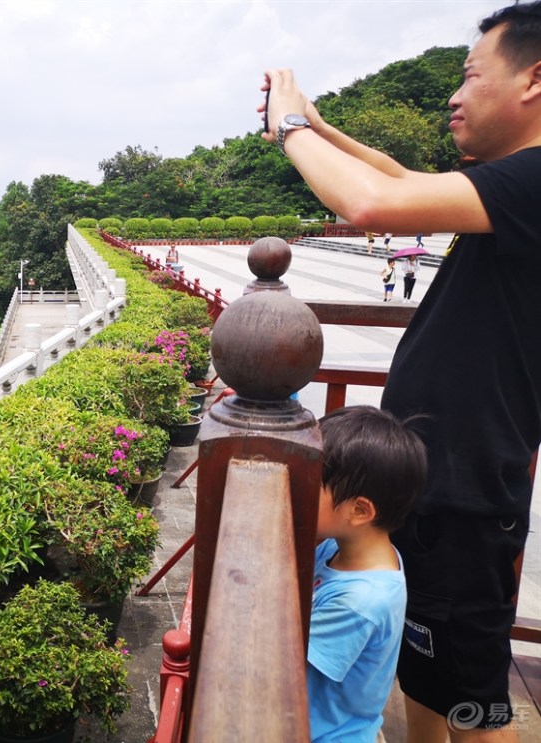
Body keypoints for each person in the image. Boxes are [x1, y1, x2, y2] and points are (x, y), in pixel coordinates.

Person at [262, 2, 541, 740]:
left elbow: (370, 201)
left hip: (469, 495)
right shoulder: (513, 186)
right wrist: (319, 127)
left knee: (477, 701)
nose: (455, 93)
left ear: (534, 78)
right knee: (425, 669)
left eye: (470, 73)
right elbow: (402, 180)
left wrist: (288, 127)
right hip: (438, 479)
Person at [309, 406, 428, 743]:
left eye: (310, 482)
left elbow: (282, 670)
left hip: (327, 735)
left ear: (359, 511)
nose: (295, 487)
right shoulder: (342, 549)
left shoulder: (359, 601)